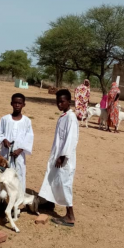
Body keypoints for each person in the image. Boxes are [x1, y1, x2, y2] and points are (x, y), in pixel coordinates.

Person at [39, 89, 79, 227]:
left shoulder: (71, 118)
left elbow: (71, 139)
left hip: (64, 158)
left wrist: (63, 156)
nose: (59, 104)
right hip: (57, 155)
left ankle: (70, 215)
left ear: (69, 101)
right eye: (58, 102)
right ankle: (50, 202)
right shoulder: (64, 116)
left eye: (62, 101)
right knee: (52, 178)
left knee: (64, 183)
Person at [0, 93, 34, 198]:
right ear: (11, 103)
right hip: (5, 155)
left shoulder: (27, 121)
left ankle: (17, 202)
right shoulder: (5, 119)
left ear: (23, 105)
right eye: (15, 103)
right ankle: (0, 200)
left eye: (19, 103)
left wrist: (20, 149)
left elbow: (29, 138)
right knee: (3, 175)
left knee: (18, 176)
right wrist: (4, 140)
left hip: (19, 157)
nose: (17, 105)